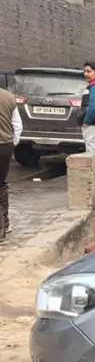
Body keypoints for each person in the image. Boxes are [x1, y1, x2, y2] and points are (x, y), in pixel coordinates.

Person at [0, 86, 24, 244]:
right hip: (4, 146)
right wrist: (12, 143)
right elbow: (17, 125)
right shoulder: (8, 97)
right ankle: (4, 224)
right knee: (1, 184)